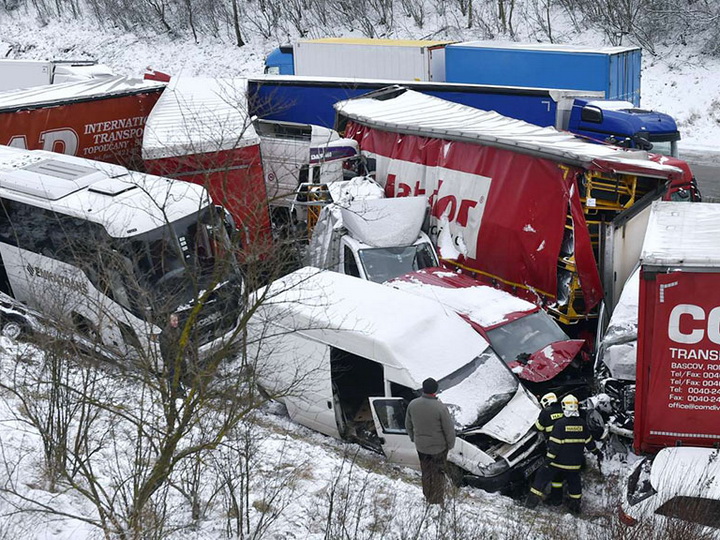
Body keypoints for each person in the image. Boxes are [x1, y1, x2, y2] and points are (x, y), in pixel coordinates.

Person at [525, 394, 603, 514]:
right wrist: (597, 452)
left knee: (541, 476)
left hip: (558, 462)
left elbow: (554, 446)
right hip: (575, 464)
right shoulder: (582, 424)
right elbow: (589, 442)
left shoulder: (560, 425)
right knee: (574, 484)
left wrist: (547, 461)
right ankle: (574, 508)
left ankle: (530, 504)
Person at [405, 377, 456, 505]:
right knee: (438, 473)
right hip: (438, 448)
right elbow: (448, 429)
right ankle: (437, 500)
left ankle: (427, 496)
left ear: (423, 389)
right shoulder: (440, 408)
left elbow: (408, 425)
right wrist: (450, 444)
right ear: (436, 390)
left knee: (426, 472)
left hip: (421, 446)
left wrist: (413, 437)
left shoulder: (413, 404)